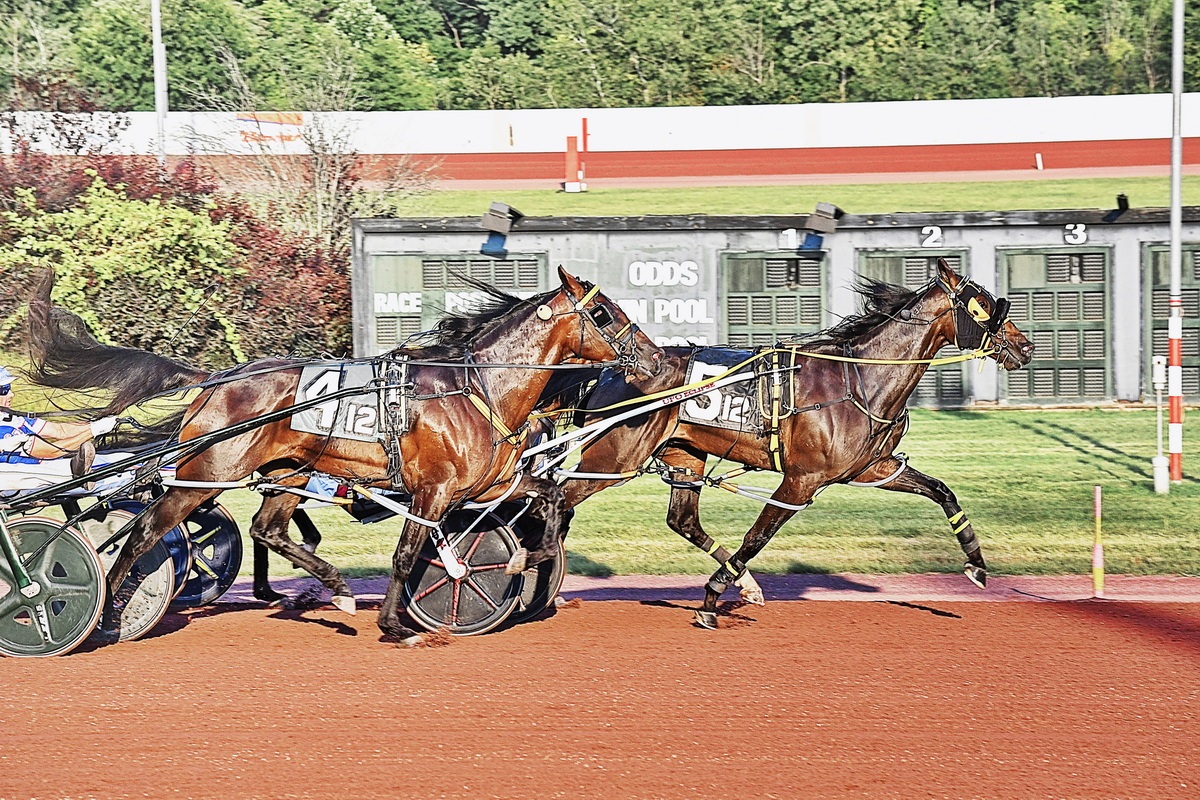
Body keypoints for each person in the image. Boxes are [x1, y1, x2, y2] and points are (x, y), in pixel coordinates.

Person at [0, 365, 117, 485]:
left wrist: (93, 424)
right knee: (124, 467)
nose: (11, 394)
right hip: (35, 481)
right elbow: (52, 451)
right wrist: (93, 430)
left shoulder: (12, 418)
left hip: (52, 469)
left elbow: (59, 431)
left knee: (123, 459)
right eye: (3, 390)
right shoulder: (3, 433)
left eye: (9, 388)